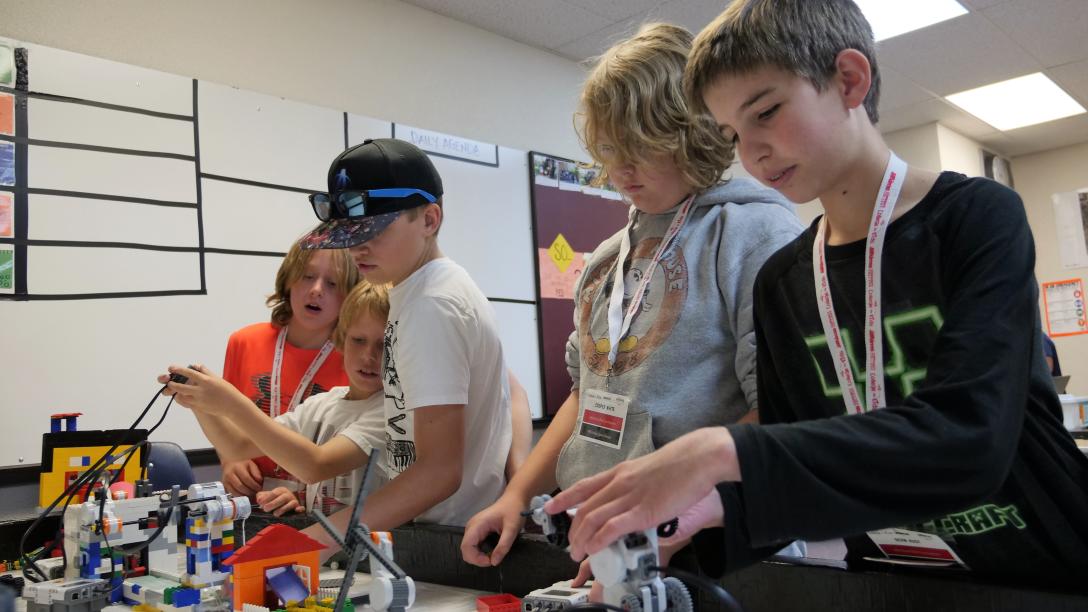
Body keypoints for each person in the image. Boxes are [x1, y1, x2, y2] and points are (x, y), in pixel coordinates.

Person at [548, 0, 1088, 588]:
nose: (751, 151)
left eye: (767, 112)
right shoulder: (784, 279)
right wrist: (705, 514)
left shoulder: (976, 217)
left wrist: (715, 451)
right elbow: (799, 468)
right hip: (888, 574)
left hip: (1046, 560)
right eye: (732, 132)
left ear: (849, 80)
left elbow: (971, 437)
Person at [460, 22, 804, 575]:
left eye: (640, 146)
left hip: (710, 535)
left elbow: (782, 410)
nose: (620, 169)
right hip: (610, 531)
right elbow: (585, 390)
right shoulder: (605, 258)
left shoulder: (753, 234)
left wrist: (661, 521)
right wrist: (516, 496)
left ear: (691, 130)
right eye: (608, 149)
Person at [296, 138, 513, 553]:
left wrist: (313, 543)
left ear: (429, 219)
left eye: (375, 231)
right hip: (445, 527)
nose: (358, 248)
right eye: (348, 233)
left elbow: (438, 472)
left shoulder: (431, 305)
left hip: (448, 537)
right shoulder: (434, 290)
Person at [161, 281, 388, 525]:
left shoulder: (391, 411)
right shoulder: (323, 404)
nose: (368, 356)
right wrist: (199, 402)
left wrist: (231, 403)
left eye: (383, 344)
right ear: (341, 339)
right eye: (358, 340)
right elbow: (237, 446)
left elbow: (315, 466)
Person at [220, 239, 359, 511]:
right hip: (247, 504)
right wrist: (230, 461)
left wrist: (303, 497)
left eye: (333, 283)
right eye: (307, 276)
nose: (317, 290)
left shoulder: (358, 360)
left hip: (316, 511)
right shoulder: (245, 342)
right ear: (289, 280)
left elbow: (351, 456)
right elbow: (227, 420)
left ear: (350, 296)